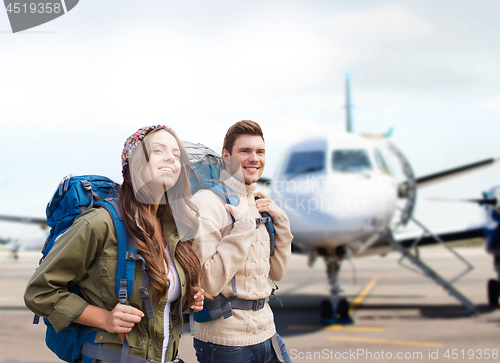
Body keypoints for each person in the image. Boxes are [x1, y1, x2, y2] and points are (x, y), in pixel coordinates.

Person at [24, 125, 204, 363]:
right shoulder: (100, 223)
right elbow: (40, 291)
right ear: (135, 162)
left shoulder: (175, 229)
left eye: (176, 154)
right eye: (158, 150)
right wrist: (104, 318)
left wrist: (184, 299)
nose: (171, 157)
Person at [191, 120, 293, 363]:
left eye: (260, 152)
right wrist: (243, 229)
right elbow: (208, 282)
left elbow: (277, 272)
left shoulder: (258, 203)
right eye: (245, 151)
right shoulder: (207, 203)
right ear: (226, 156)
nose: (254, 158)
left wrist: (281, 222)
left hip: (267, 332)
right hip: (226, 343)